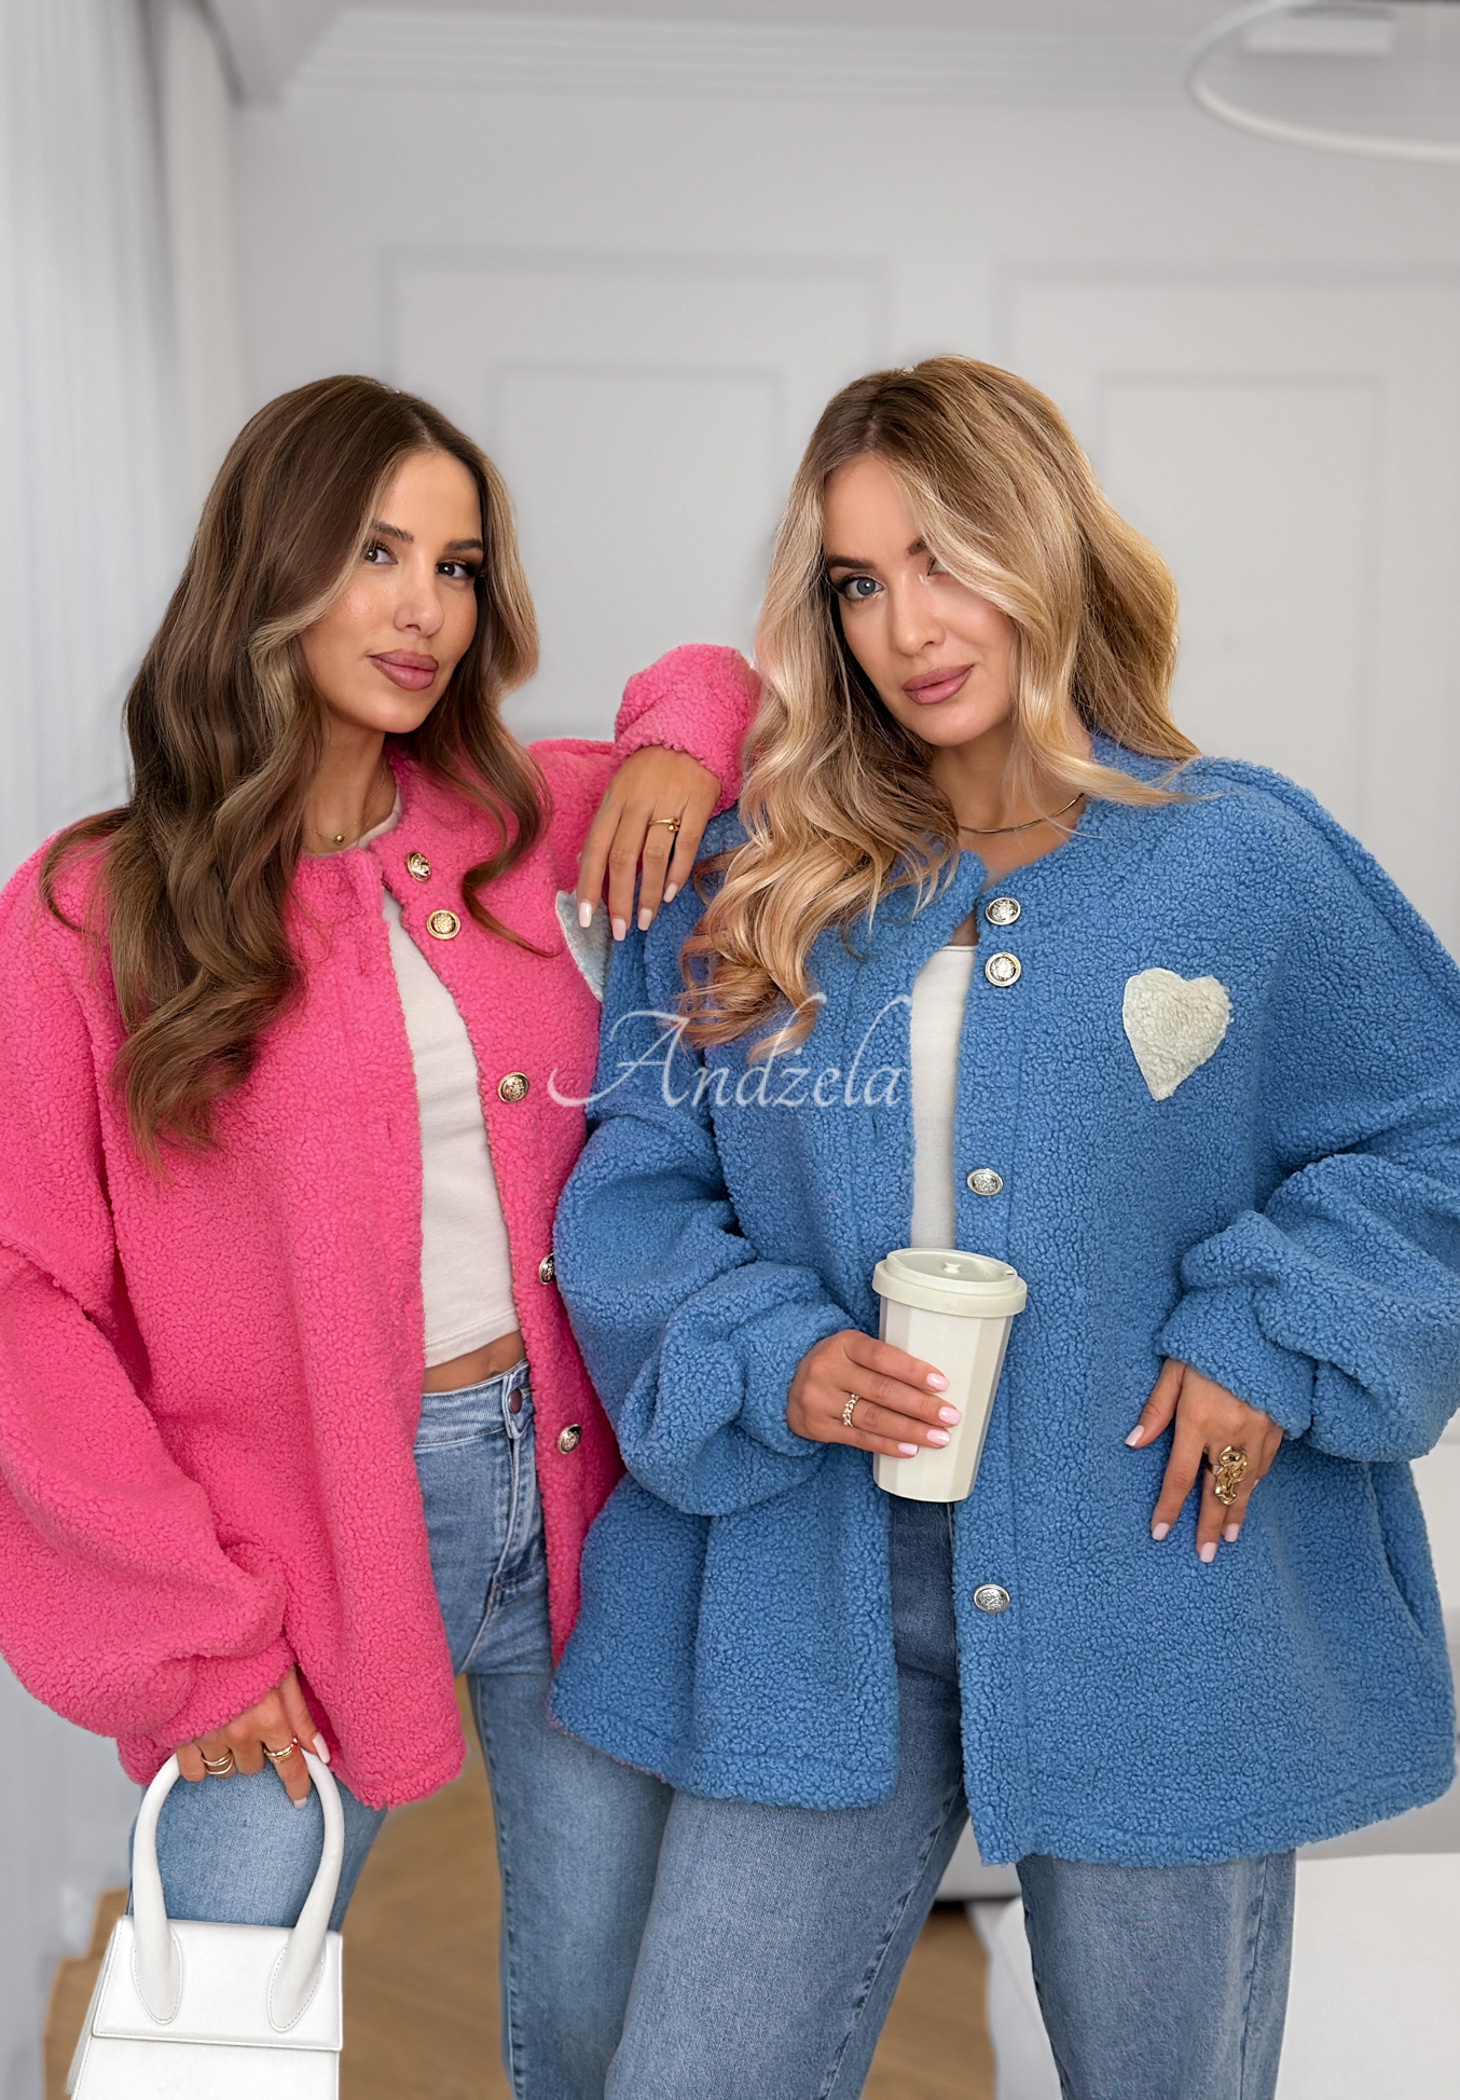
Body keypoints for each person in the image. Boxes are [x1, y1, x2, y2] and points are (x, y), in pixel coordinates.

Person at [550, 357, 1460, 2100]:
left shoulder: (1240, 859)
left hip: (1154, 1582)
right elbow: (635, 1187)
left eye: (944, 559)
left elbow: (1437, 1129)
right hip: (821, 1581)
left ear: (1040, 545)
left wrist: (1265, 1334)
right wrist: (771, 1354)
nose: (908, 626)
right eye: (858, 582)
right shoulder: (758, 877)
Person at [0, 374, 758, 2099]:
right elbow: (21, 1297)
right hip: (291, 1535)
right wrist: (193, 1640)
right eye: (374, 553)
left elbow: (746, 700)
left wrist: (675, 743)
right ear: (268, 568)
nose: (425, 608)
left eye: (458, 565)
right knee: (217, 2024)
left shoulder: (523, 827)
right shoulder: (87, 912)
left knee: (603, 2013)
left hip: (573, 1489)